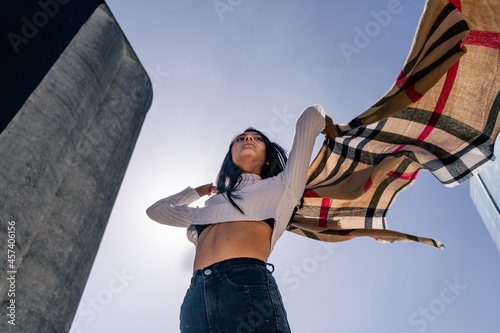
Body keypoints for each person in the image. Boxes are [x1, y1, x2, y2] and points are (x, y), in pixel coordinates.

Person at [146, 104, 337, 332]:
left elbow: (309, 116)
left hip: (246, 285)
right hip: (196, 296)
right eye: (240, 138)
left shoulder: (283, 186)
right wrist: (198, 190)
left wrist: (328, 125)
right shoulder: (207, 209)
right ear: (230, 157)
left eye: (257, 138)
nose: (248, 138)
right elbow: (157, 211)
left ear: (268, 158)